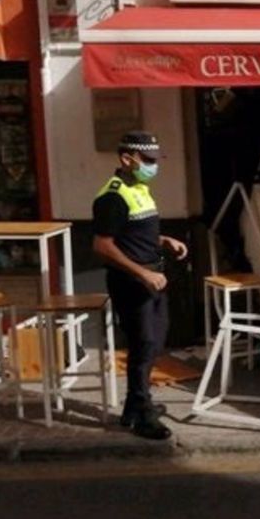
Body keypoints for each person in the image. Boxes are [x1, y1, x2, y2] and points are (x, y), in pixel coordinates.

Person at [92, 131, 187, 440]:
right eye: (147, 160)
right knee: (143, 344)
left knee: (155, 343)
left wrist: (163, 240)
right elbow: (103, 246)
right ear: (127, 159)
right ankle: (143, 414)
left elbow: (131, 233)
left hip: (154, 278)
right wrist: (142, 274)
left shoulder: (140, 189)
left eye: (155, 160)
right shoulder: (112, 196)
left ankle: (134, 405)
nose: (152, 166)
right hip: (132, 282)